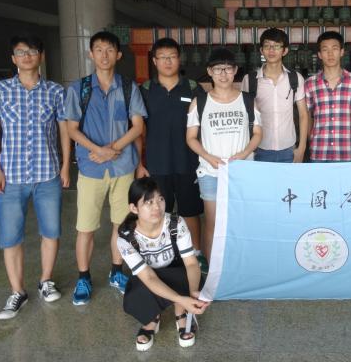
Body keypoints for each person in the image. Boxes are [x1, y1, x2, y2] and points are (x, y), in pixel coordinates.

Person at [0, 35, 70, 319]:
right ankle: (17, 292)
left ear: (41, 56)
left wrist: (65, 166)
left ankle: (46, 281)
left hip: (48, 174)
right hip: (11, 176)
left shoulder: (55, 91)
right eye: (21, 52)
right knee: (10, 237)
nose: (27, 56)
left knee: (51, 231)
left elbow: (64, 130)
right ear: (13, 58)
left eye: (32, 51)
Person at [65, 30, 147, 305]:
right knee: (85, 227)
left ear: (118, 55)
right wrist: (99, 150)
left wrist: (112, 149)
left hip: (123, 168)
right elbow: (71, 129)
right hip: (91, 168)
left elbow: (138, 126)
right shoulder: (79, 89)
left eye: (110, 50)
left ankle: (116, 272)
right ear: (91, 54)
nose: (104, 55)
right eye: (99, 50)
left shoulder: (128, 87)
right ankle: (83, 277)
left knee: (121, 225)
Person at [136, 37, 207, 272]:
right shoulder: (145, 90)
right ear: (154, 61)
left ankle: (197, 254)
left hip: (189, 162)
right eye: (163, 57)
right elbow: (138, 130)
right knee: (158, 213)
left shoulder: (193, 88)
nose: (168, 61)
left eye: (172, 57)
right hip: (157, 164)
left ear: (179, 59)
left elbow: (205, 125)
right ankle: (163, 256)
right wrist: (139, 163)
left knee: (191, 212)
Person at [186, 48, 262, 261]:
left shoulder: (247, 100)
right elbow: (190, 138)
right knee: (212, 222)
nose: (223, 74)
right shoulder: (200, 102)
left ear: (235, 70)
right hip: (210, 172)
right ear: (209, 71)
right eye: (218, 69)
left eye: (228, 69)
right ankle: (212, 269)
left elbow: (258, 133)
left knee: (241, 221)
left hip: (242, 172)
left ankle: (239, 264)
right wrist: (208, 157)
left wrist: (244, 153)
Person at [118, 177, 208, 351]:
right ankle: (152, 318)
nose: (157, 207)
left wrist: (191, 295)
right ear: (134, 208)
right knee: (137, 291)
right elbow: (148, 277)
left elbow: (191, 263)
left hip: (175, 272)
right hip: (148, 278)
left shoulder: (175, 223)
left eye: (160, 199)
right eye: (148, 202)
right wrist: (181, 298)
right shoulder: (125, 237)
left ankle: (181, 313)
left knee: (190, 279)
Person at [241, 28, 308, 163]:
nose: (271, 50)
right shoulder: (250, 80)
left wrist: (302, 148)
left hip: (289, 149)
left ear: (285, 51)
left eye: (276, 46)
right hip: (258, 149)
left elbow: (303, 115)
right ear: (261, 50)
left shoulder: (295, 78)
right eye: (267, 46)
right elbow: (243, 116)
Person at [304, 31, 351, 162]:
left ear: (342, 52)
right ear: (319, 54)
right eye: (325, 49)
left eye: (335, 48)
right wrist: (311, 137)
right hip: (319, 151)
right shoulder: (310, 83)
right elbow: (307, 116)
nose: (330, 54)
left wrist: (350, 136)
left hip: (347, 152)